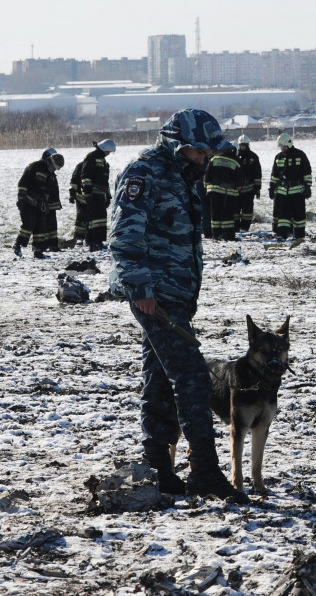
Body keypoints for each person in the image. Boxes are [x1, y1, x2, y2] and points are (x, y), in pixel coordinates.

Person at [108, 108, 248, 503]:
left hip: (176, 294)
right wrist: (140, 288)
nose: (205, 159)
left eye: (207, 153)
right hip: (155, 294)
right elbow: (123, 237)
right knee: (192, 376)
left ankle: (158, 469)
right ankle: (204, 471)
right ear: (177, 145)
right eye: (198, 152)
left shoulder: (183, 176)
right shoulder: (144, 174)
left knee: (159, 381)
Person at [13, 148, 64, 259]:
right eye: (53, 167)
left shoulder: (51, 175)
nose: (53, 170)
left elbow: (51, 191)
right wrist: (21, 198)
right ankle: (18, 245)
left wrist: (48, 205)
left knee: (41, 227)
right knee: (29, 224)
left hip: (40, 204)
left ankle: (38, 250)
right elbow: (23, 183)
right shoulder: (34, 167)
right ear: (48, 161)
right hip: (28, 201)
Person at [268, 133, 312, 240]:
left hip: (297, 192)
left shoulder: (300, 155)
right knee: (283, 217)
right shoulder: (278, 157)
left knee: (299, 216)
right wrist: (272, 187)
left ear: (289, 144)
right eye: (281, 147)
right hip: (282, 192)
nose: (282, 148)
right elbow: (275, 174)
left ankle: (300, 236)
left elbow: (307, 172)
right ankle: (282, 236)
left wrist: (307, 187)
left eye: (283, 146)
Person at [77, 138, 116, 250]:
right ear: (103, 148)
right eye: (108, 151)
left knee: (99, 218)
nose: (108, 154)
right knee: (96, 218)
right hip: (93, 193)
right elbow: (85, 175)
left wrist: (107, 195)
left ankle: (92, 241)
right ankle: (95, 242)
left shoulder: (103, 160)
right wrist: (88, 191)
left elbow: (105, 181)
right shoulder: (91, 157)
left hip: (100, 193)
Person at [203, 141, 244, 241]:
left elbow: (207, 176)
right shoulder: (236, 161)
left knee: (215, 215)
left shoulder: (214, 159)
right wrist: (238, 190)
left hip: (213, 192)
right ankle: (228, 236)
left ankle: (216, 235)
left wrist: (207, 189)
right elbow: (240, 180)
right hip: (228, 193)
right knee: (227, 216)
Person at [235, 135, 261, 232]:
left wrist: (257, 188)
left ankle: (245, 228)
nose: (242, 147)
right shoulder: (235, 156)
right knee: (235, 211)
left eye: (244, 145)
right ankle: (236, 228)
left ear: (247, 145)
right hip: (236, 190)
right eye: (241, 145)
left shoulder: (253, 157)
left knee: (247, 211)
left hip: (249, 190)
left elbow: (257, 173)